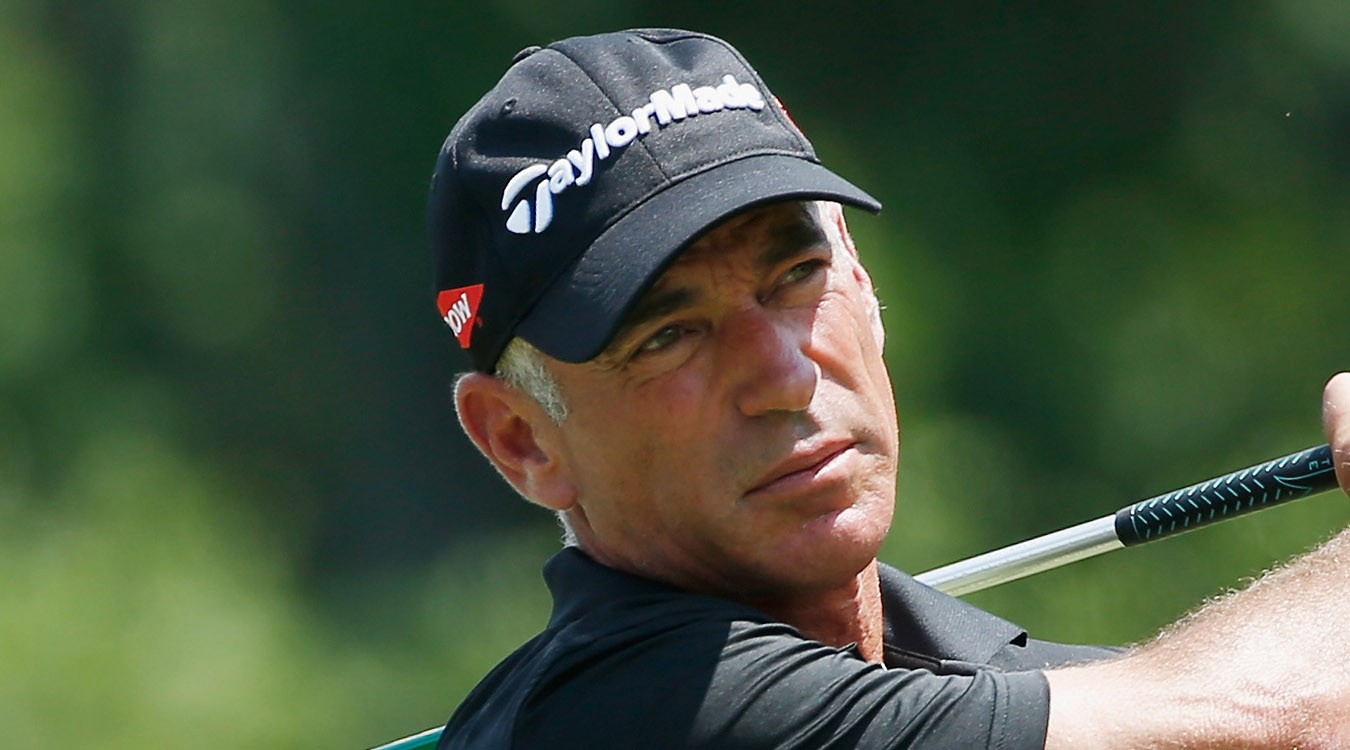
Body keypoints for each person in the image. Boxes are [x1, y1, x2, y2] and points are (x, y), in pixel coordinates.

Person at [426, 28, 1350, 749]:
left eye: (797, 276)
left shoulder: (1014, 683)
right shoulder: (618, 713)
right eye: (670, 335)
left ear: (862, 281)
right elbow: (1280, 714)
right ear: (520, 439)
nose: (785, 376)